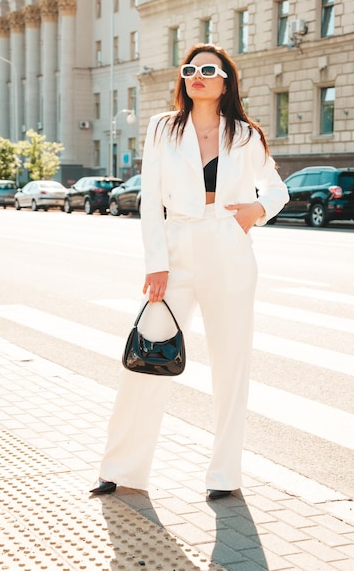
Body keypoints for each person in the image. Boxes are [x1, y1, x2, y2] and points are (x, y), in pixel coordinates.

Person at [89, 43, 289, 501]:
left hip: (228, 248)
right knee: (147, 359)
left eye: (207, 70)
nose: (196, 76)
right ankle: (121, 468)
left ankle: (224, 475)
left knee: (231, 365)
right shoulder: (163, 128)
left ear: (224, 81)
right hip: (176, 248)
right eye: (189, 69)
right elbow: (149, 200)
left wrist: (255, 210)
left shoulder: (245, 134)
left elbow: (277, 189)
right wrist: (155, 264)